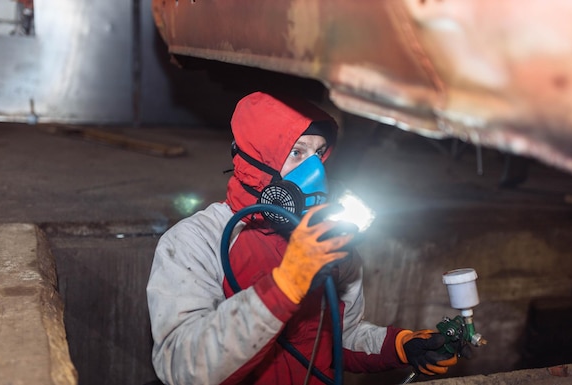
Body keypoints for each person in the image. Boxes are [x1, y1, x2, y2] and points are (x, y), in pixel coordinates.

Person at [147, 91, 461, 385]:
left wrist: (398, 346)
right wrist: (285, 285)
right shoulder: (195, 242)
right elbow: (180, 366)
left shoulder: (328, 242)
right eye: (297, 152)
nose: (314, 170)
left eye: (319, 153)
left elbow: (338, 336)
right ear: (258, 160)